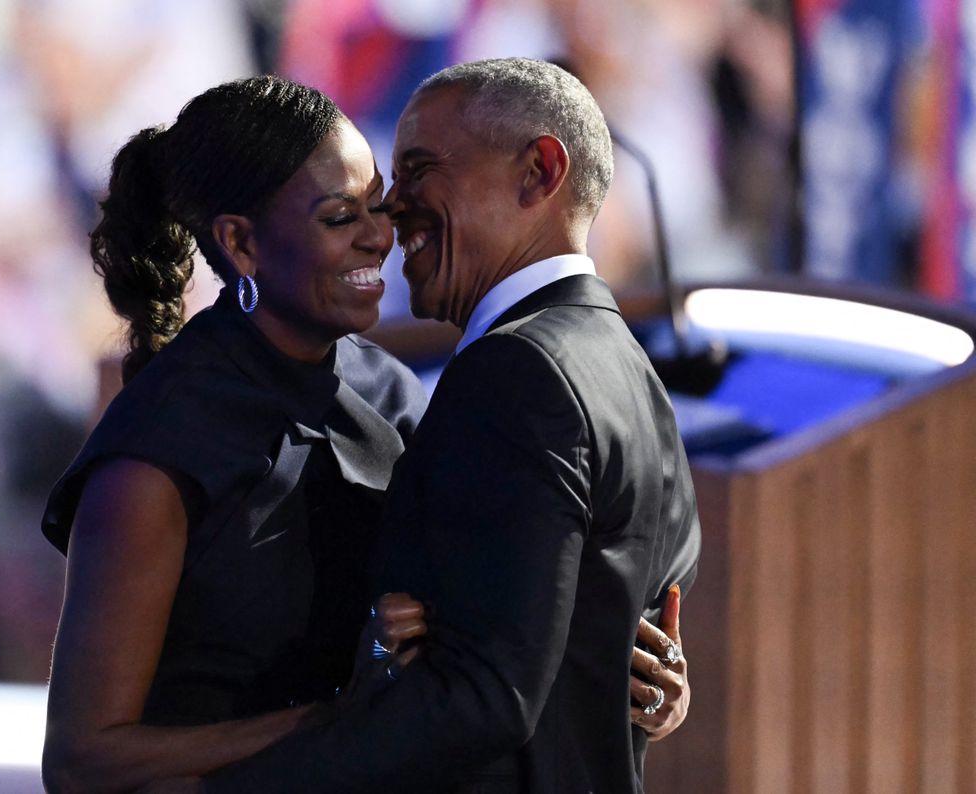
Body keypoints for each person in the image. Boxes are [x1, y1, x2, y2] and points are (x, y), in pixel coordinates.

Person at [40, 74, 689, 793]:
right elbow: (82, 760)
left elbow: (476, 629)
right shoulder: (159, 449)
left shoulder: (396, 393)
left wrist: (610, 669)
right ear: (241, 244)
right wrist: (336, 716)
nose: (382, 235)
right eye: (340, 217)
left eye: (378, 204)